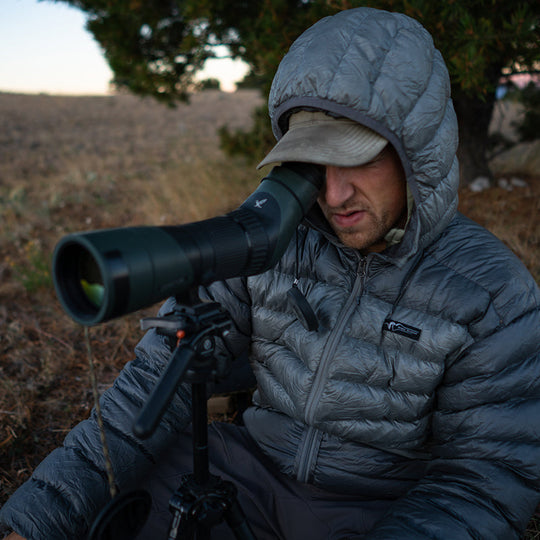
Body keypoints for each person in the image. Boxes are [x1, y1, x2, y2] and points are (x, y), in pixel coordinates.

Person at [2, 7, 540, 540]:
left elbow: (483, 479)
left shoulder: (493, 294)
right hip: (246, 474)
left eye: (357, 157)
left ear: (417, 152)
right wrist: (35, 525)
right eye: (313, 164)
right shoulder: (274, 242)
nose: (333, 195)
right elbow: (146, 390)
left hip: (379, 505)